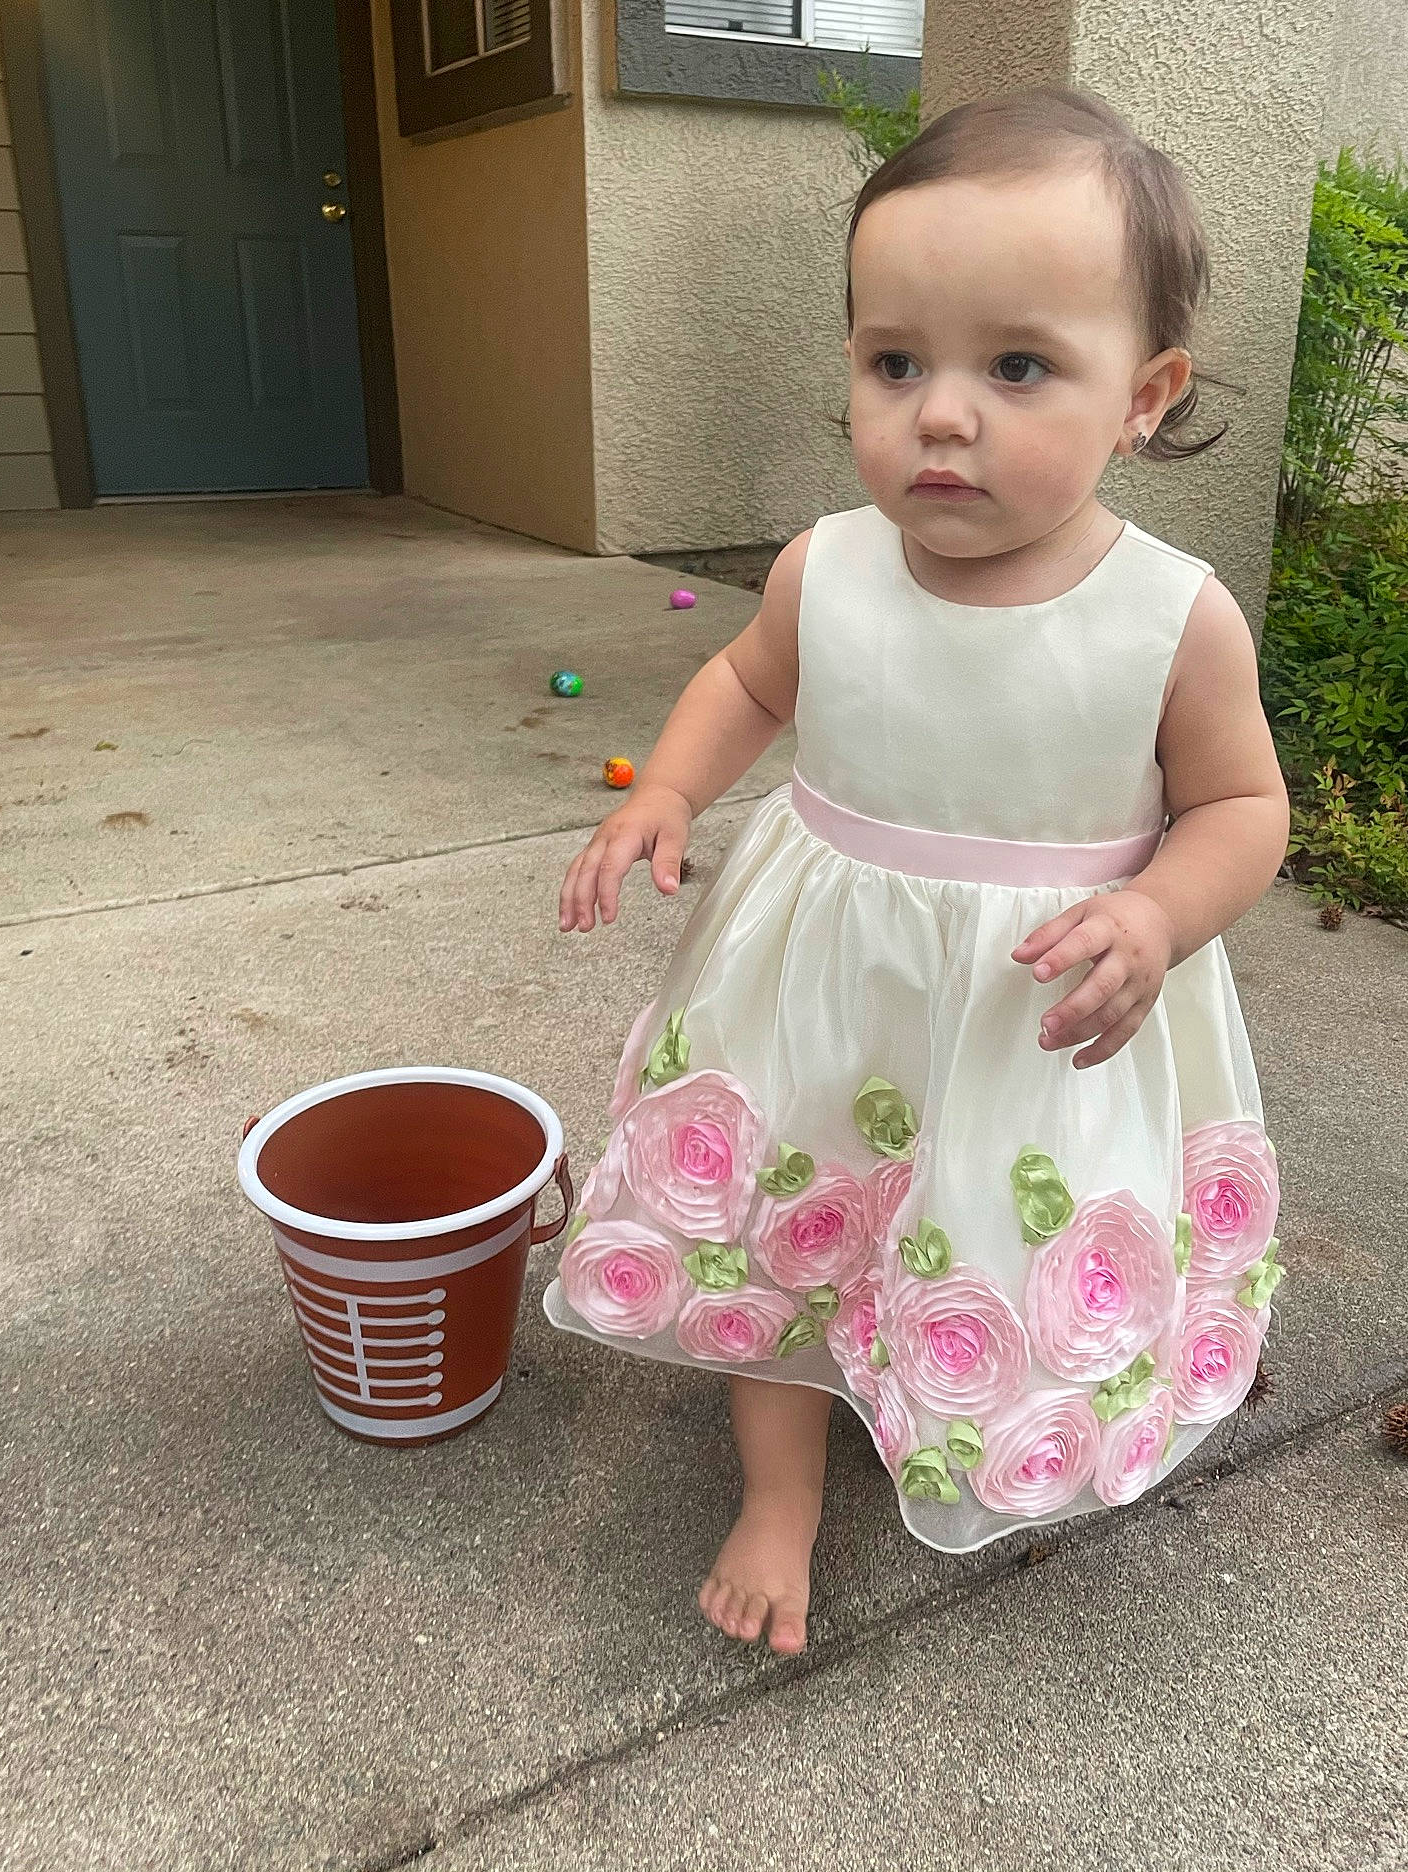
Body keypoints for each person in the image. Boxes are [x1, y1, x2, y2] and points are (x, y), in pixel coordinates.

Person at [544, 86, 1291, 1658]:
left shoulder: (1170, 615)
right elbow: (753, 682)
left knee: (989, 1234)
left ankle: (944, 1384)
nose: (941, 414)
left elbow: (1241, 808)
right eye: (898, 364)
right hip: (828, 990)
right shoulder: (830, 567)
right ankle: (780, 1489)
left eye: (1017, 366)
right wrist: (669, 789)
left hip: (1040, 1013)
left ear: (1143, 395)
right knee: (789, 1214)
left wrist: (1159, 908)